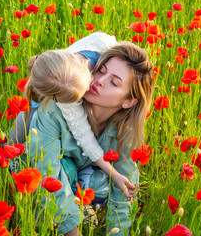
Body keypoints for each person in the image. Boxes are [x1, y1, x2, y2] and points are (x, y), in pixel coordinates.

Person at [22, 41, 155, 236]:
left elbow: (125, 190)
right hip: (32, 164)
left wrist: (117, 232)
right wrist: (72, 232)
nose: (99, 80)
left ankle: (80, 208)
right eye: (101, 70)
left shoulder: (123, 130)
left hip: (81, 172)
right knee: (62, 171)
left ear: (128, 101)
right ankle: (64, 218)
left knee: (100, 183)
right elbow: (45, 173)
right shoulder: (56, 108)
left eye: (114, 82)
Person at [8, 33, 136, 198]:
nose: (95, 83)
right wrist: (112, 172)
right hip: (33, 110)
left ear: (72, 57)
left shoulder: (102, 44)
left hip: (55, 85)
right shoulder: (67, 100)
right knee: (10, 147)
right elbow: (84, 138)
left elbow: (116, 48)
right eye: (87, 89)